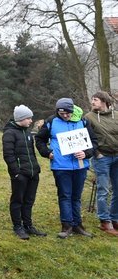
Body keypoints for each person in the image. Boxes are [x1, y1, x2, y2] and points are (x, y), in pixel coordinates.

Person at [35, 98, 97, 239]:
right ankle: (66, 225)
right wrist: (47, 152)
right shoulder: (51, 122)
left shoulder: (83, 122)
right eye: (61, 113)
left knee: (76, 197)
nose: (65, 116)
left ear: (72, 111)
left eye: (67, 113)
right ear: (57, 111)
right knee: (65, 195)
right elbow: (39, 140)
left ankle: (77, 225)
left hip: (80, 166)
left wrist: (86, 153)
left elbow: (93, 142)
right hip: (61, 166)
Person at [1, 105, 46, 240]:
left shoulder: (27, 132)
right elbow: (8, 155)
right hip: (20, 175)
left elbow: (31, 153)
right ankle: (17, 226)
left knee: (29, 200)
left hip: (33, 173)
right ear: (21, 118)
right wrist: (16, 173)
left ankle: (28, 225)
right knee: (17, 200)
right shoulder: (9, 133)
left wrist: (36, 169)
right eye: (28, 118)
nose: (31, 121)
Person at [86, 91, 118, 236]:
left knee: (117, 189)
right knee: (103, 189)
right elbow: (86, 138)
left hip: (117, 156)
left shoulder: (116, 115)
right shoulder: (89, 117)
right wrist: (97, 153)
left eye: (96, 99)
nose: (93, 102)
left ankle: (115, 218)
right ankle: (105, 221)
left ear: (104, 101)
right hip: (102, 157)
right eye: (92, 99)